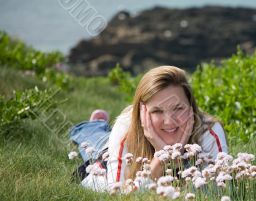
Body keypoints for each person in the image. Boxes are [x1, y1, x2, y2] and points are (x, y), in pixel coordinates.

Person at [69, 66, 228, 192]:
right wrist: (161, 159)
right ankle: (95, 124)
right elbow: (118, 197)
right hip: (106, 153)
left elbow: (222, 190)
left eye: (178, 108)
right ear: (142, 113)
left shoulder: (208, 130)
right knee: (96, 142)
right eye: (157, 111)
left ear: (191, 107)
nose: (169, 121)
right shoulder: (126, 128)